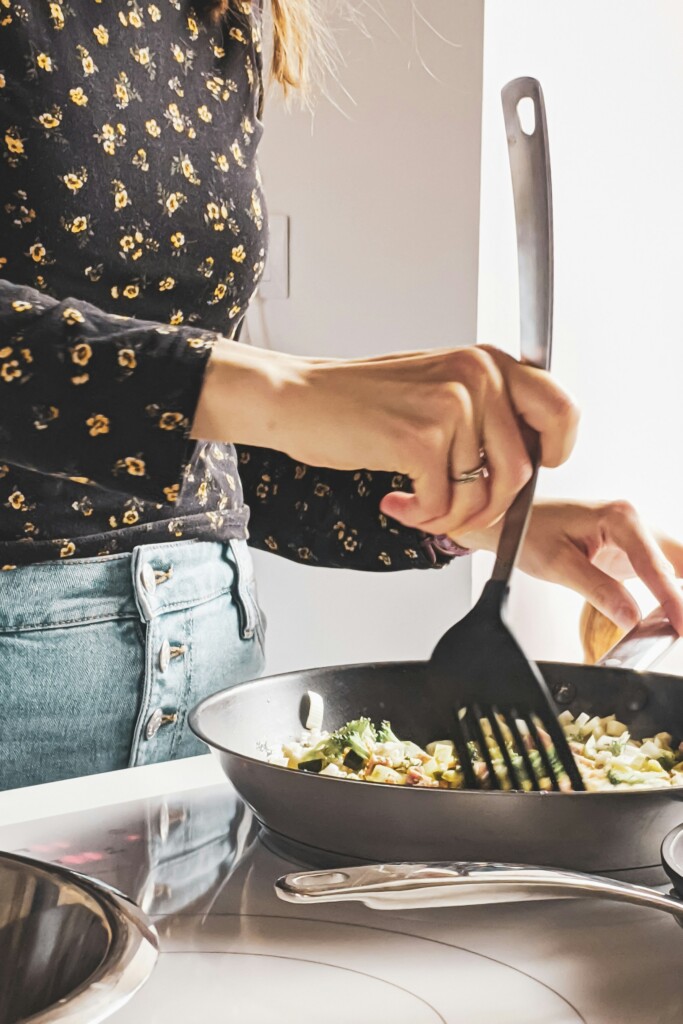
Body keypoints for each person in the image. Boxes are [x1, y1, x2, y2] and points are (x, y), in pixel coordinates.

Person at [0, 0, 681, 792]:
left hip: (209, 665)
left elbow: (183, 440)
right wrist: (288, 389)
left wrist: (472, 516)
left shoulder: (224, 13)